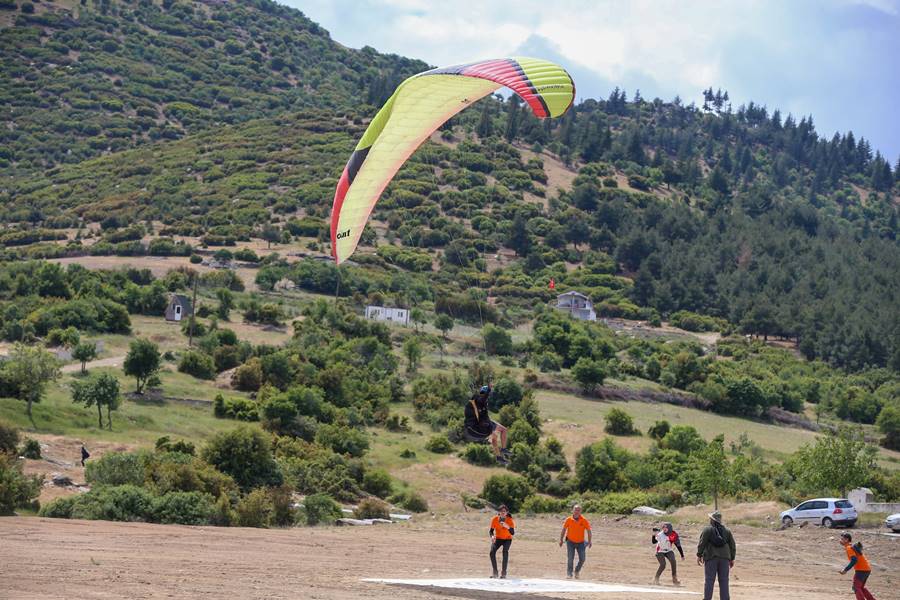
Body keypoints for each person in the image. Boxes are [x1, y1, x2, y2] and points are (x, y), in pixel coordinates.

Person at [463, 385, 509, 463]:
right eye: (488, 395)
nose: (488, 397)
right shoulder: (479, 400)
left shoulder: (479, 402)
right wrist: (489, 390)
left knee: (497, 434)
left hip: (480, 426)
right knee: (497, 432)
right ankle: (502, 451)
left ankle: (499, 456)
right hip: (477, 428)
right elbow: (483, 398)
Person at [696, 511, 735, 600]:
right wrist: (732, 558)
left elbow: (702, 543)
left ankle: (707, 598)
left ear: (712, 520)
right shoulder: (727, 531)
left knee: (709, 580)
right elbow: (732, 545)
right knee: (724, 580)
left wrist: (699, 554)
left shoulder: (707, 529)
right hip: (725, 558)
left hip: (711, 557)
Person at [840, 532, 877, 600]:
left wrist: (845, 570)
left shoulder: (849, 548)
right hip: (866, 569)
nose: (840, 540)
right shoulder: (851, 546)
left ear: (847, 539)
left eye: (842, 539)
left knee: (856, 587)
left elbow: (854, 560)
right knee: (861, 587)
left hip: (861, 570)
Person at [558, 504, 592, 579]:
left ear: (581, 511)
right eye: (575, 510)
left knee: (582, 559)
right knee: (570, 558)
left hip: (581, 543)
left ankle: (577, 571)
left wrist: (589, 541)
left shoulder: (584, 520)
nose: (577, 511)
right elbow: (564, 529)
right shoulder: (568, 519)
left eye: (578, 510)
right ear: (573, 510)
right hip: (570, 542)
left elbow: (589, 531)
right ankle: (569, 574)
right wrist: (561, 540)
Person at [489, 505, 516, 579]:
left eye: (504, 511)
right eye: (501, 511)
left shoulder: (509, 520)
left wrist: (507, 527)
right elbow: (491, 531)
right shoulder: (495, 519)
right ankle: (495, 572)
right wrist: (492, 536)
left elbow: (513, 532)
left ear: (507, 512)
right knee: (492, 552)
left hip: (507, 539)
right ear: (499, 512)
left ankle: (503, 573)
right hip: (498, 539)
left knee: (505, 551)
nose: (503, 513)